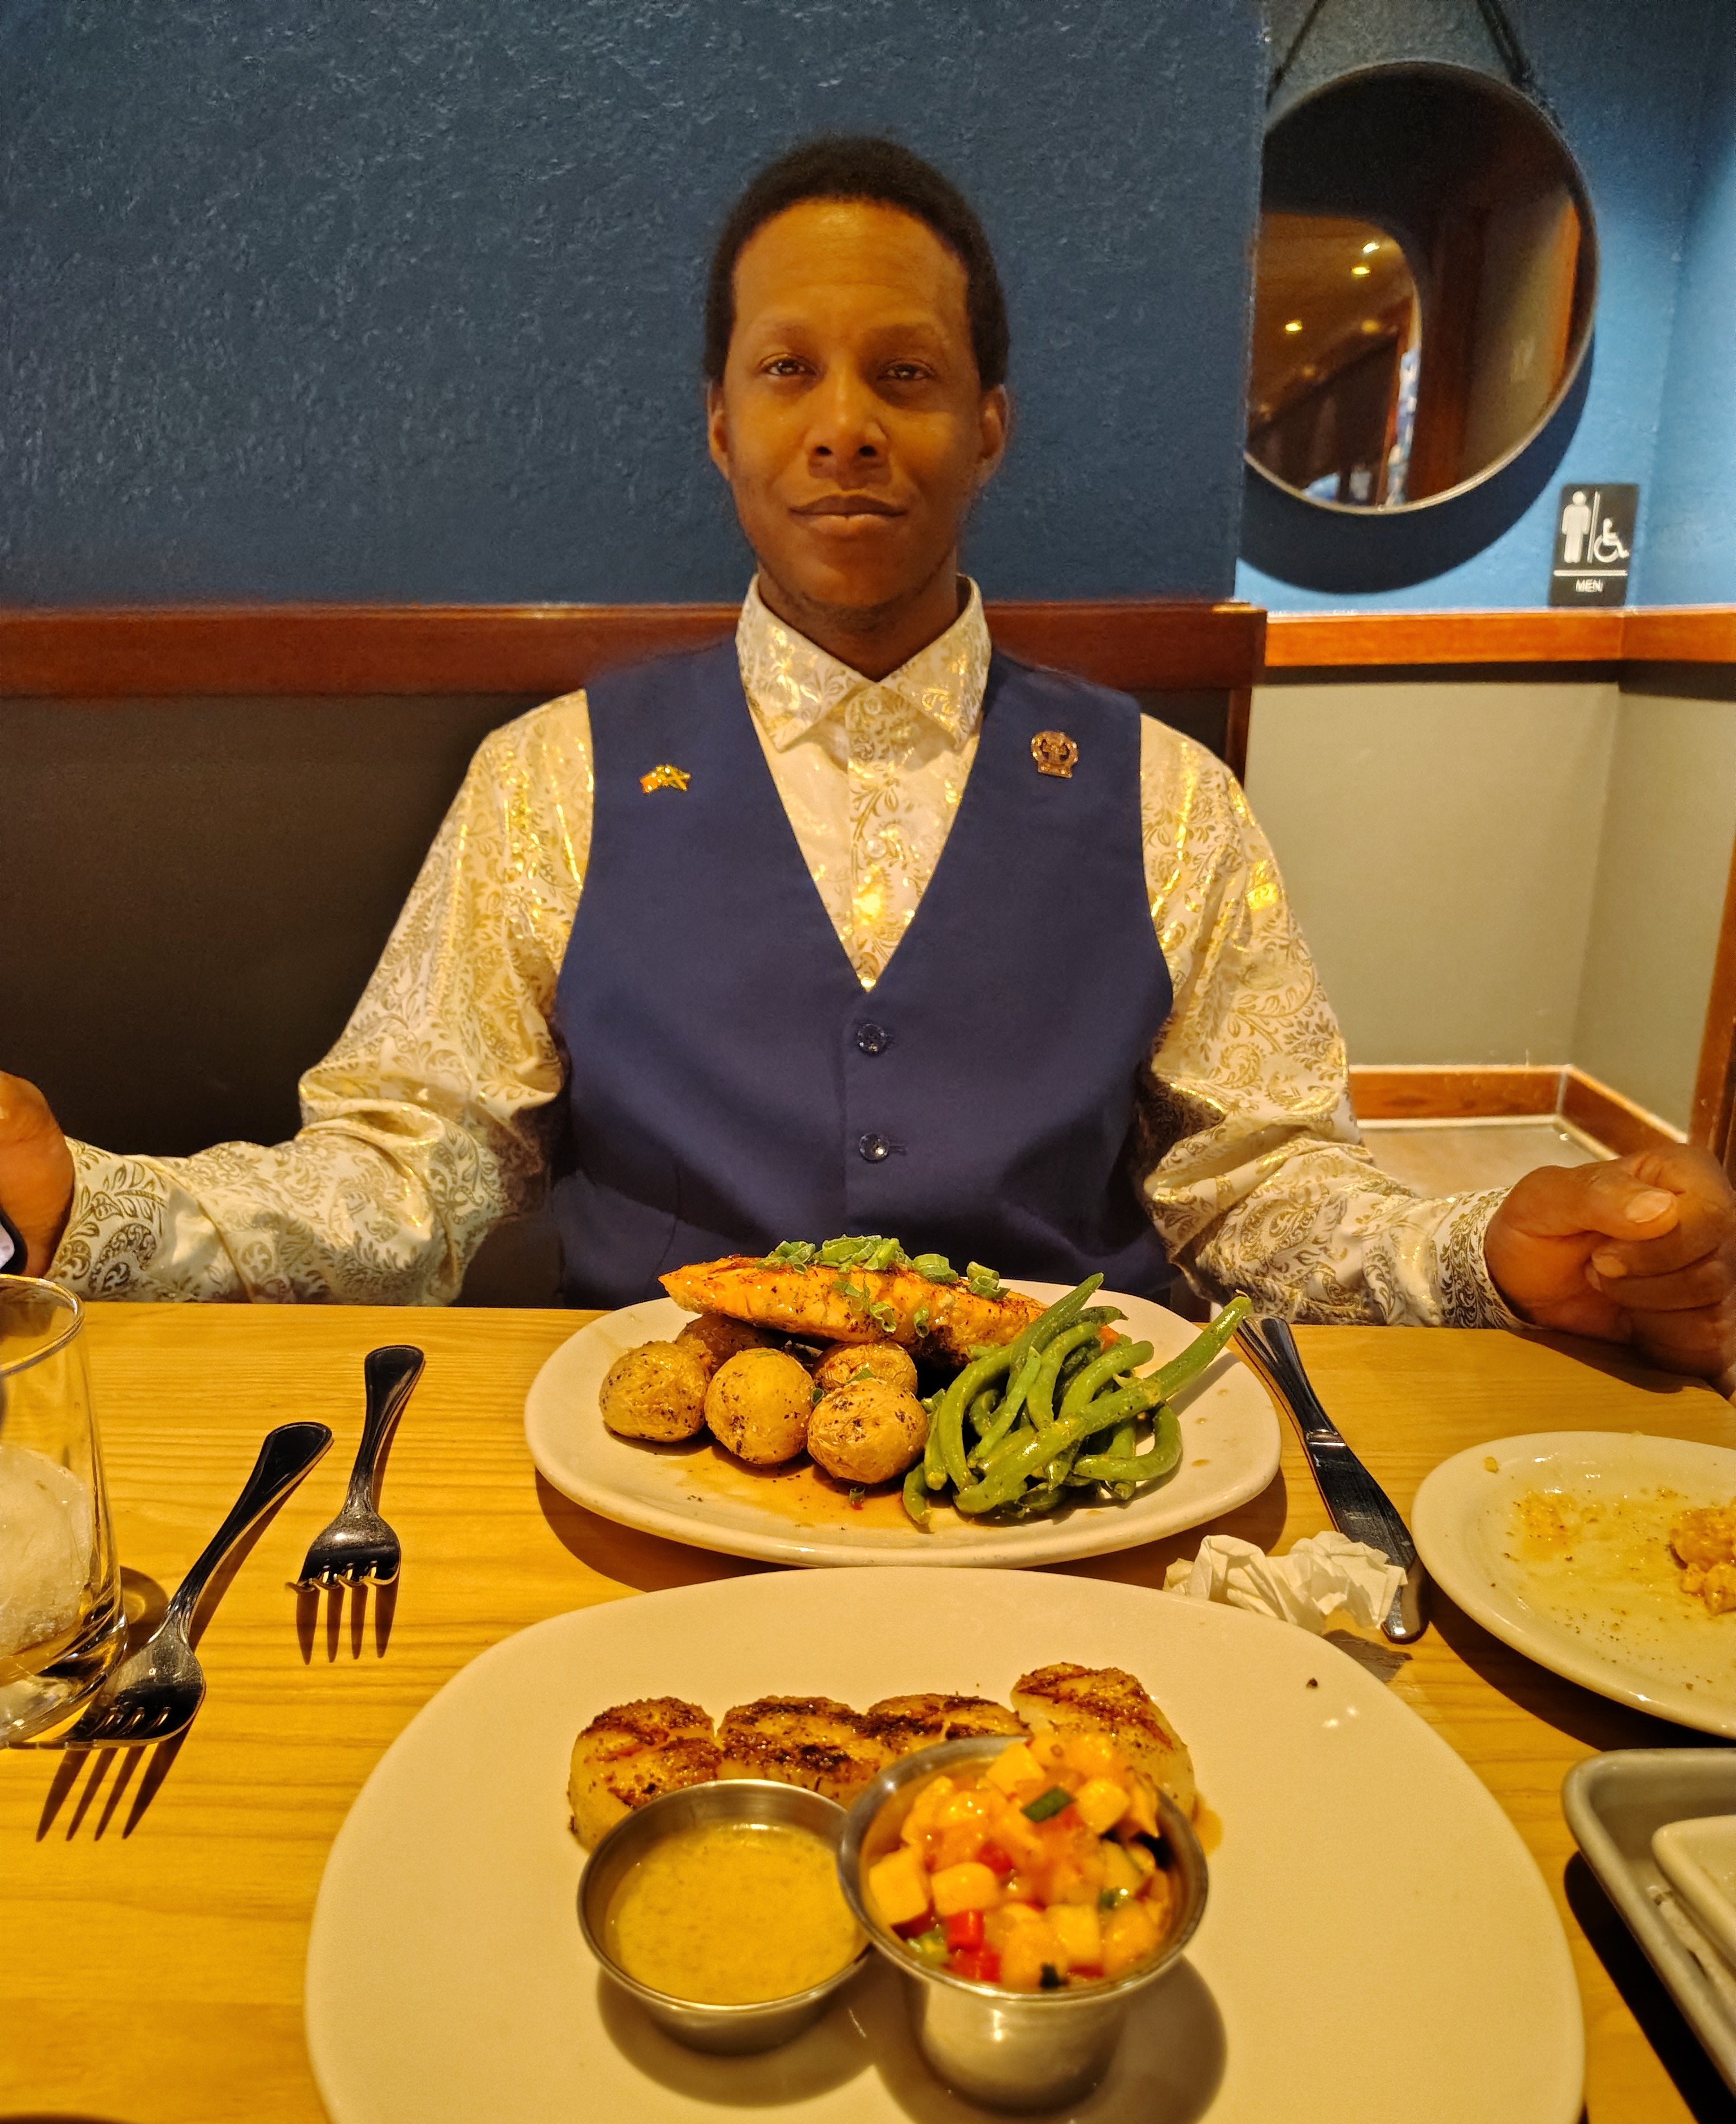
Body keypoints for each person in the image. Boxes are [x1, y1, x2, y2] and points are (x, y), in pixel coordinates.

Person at [3, 137, 1734, 1386]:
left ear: (987, 427)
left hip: (1064, 1484)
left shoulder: (1169, 799)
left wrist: (1492, 1246)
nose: (844, 423)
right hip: (658, 1462)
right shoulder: (550, 779)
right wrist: (98, 1202)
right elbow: (412, 1174)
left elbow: (1262, 1195)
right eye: (788, 371)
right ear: (721, 425)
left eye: (906, 373)